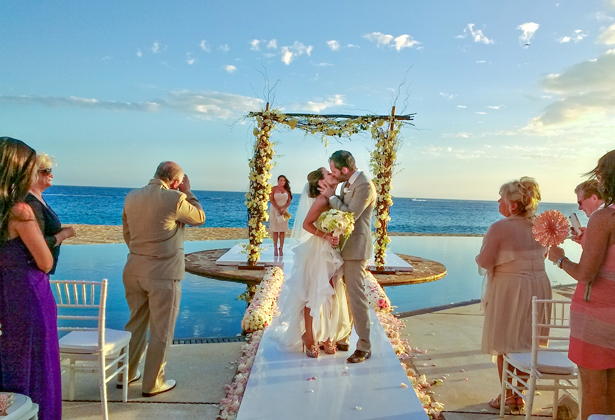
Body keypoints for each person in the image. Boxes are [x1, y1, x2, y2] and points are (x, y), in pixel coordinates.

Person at [121, 161, 205, 397]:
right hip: (163, 273)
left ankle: (125, 374)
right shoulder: (175, 198)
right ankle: (153, 383)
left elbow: (127, 233)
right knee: (161, 330)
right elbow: (199, 217)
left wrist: (141, 253)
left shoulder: (132, 197)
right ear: (175, 181)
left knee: (135, 323)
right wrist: (188, 191)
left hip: (134, 268)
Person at [548, 150, 615, 420]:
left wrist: (560, 259)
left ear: (603, 177)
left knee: (594, 392)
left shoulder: (604, 217)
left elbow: (587, 275)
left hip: (597, 318)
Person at [476, 176, 551, 410]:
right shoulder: (541, 226)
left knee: (506, 343)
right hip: (539, 286)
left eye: (502, 198)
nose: (498, 201)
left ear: (513, 205)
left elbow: (485, 262)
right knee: (528, 342)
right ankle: (519, 395)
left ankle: (508, 396)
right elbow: (544, 255)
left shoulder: (500, 228)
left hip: (510, 289)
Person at [0, 137, 61, 420]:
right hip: (30, 294)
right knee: (38, 364)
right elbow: (46, 262)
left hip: (5, 295)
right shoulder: (19, 211)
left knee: (11, 362)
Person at [271, 168, 351, 358]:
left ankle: (326, 336)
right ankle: (309, 337)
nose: (333, 174)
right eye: (328, 173)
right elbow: (307, 224)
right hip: (317, 250)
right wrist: (325, 236)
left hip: (331, 250)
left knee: (330, 294)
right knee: (313, 293)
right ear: (321, 183)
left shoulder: (333, 198)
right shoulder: (322, 200)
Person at [319, 150, 377, 363]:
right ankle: (343, 335)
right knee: (342, 292)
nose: (334, 174)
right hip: (343, 247)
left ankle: (364, 346)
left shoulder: (364, 185)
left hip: (356, 248)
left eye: (335, 170)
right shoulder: (347, 184)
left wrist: (331, 198)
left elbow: (350, 215)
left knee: (356, 294)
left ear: (345, 169)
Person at [25, 152, 76, 274]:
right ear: (33, 173)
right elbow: (38, 243)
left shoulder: (38, 200)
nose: (52, 175)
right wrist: (65, 234)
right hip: (33, 272)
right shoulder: (31, 203)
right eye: (47, 171)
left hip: (39, 272)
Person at [571, 179, 605, 244]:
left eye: (580, 203)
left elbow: (595, 253)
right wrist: (586, 238)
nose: (579, 208)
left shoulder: (600, 218)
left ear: (594, 198)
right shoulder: (609, 214)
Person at [269, 175, 292, 256]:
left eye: (284, 181)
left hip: (284, 211)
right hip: (274, 210)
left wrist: (283, 208)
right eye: (281, 180)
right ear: (278, 180)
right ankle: (275, 248)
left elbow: (289, 201)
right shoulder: (274, 189)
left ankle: (281, 248)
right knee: (275, 230)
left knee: (282, 230)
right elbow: (271, 199)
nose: (282, 182)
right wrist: (278, 208)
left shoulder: (286, 190)